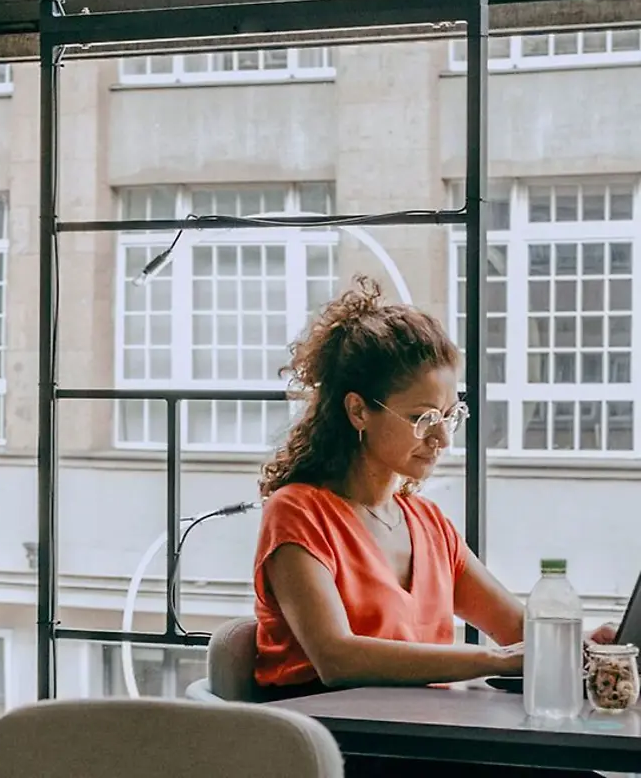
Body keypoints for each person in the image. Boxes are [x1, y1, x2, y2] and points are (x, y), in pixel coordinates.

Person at [252, 278, 614, 776]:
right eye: (422, 418)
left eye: (449, 415)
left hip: (423, 742)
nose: (442, 438)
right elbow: (337, 658)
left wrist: (588, 644)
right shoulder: (297, 512)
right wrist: (492, 661)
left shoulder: (427, 523)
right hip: (337, 750)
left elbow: (516, 627)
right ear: (358, 410)